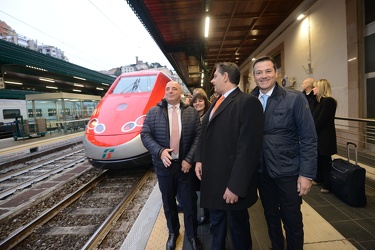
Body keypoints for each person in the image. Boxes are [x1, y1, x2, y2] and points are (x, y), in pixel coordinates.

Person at [250, 56, 317, 250]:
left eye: (268, 71)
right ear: (254, 76)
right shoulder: (249, 101)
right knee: (270, 217)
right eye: (259, 72)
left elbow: (309, 138)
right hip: (262, 173)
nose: (264, 76)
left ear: (276, 73)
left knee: (292, 220)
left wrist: (306, 174)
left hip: (288, 172)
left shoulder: (294, 98)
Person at [195, 62, 264, 249]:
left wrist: (236, 187)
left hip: (231, 183)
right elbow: (205, 133)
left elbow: (249, 149)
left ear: (225, 76)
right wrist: (199, 158)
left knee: (238, 228)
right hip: (214, 181)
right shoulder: (217, 102)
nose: (212, 80)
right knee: (217, 225)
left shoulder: (248, 102)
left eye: (215, 76)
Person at [141, 81, 202, 250]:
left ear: (180, 92)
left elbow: (199, 136)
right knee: (168, 202)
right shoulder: (153, 112)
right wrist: (160, 151)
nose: (170, 91)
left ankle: (192, 234)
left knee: (189, 203)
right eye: (167, 88)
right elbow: (145, 135)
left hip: (185, 167)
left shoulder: (191, 113)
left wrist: (189, 159)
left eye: (174, 88)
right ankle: (173, 232)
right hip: (164, 166)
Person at [312, 79, 337, 193]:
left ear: (321, 88)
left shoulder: (329, 101)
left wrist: (310, 130)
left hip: (325, 137)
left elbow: (321, 120)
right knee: (318, 158)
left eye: (315, 87)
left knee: (325, 160)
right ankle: (319, 178)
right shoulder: (320, 101)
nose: (313, 89)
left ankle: (327, 185)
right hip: (319, 136)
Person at [190, 92, 211, 226]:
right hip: (193, 158)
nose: (198, 103)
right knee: (200, 189)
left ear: (205, 102)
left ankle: (209, 216)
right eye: (195, 101)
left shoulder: (209, 116)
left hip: (206, 158)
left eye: (200, 101)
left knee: (207, 189)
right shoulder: (191, 117)